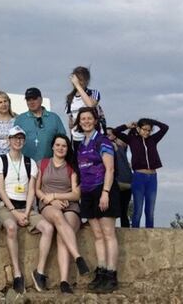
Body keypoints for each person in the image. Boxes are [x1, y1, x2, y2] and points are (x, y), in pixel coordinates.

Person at [0, 126, 49, 295]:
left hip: (25, 206)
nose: (18, 141)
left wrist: (25, 212)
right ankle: (17, 274)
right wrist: (15, 212)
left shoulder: (30, 162)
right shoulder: (0, 160)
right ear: (8, 140)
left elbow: (32, 189)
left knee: (48, 228)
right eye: (15, 138)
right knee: (11, 227)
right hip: (7, 206)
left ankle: (39, 272)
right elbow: (1, 190)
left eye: (21, 138)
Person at [35, 135, 90, 294]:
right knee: (58, 217)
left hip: (69, 204)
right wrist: (50, 200)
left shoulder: (72, 167)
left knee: (62, 235)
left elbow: (75, 195)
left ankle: (64, 281)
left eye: (64, 146)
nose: (60, 148)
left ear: (67, 149)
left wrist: (56, 196)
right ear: (52, 147)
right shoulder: (43, 164)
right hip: (48, 204)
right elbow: (37, 189)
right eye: (57, 145)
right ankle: (78, 257)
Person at [76, 107, 120, 293]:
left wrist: (105, 192)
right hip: (87, 193)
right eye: (82, 118)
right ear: (79, 122)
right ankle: (101, 272)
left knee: (108, 233)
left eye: (89, 118)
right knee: (98, 235)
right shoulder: (81, 144)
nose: (86, 121)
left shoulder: (102, 141)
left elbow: (110, 169)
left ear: (95, 120)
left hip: (103, 190)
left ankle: (111, 274)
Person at [113, 117, 168, 229]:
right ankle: (135, 233)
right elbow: (115, 132)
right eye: (144, 129)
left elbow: (165, 128)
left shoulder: (153, 139)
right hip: (139, 176)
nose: (147, 132)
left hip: (152, 177)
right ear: (138, 128)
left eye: (149, 130)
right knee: (138, 208)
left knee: (150, 209)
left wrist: (153, 122)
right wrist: (127, 126)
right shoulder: (132, 140)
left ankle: (150, 232)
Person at [15, 87, 66, 162]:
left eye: (34, 99)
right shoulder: (20, 119)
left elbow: (63, 141)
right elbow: (14, 142)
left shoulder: (54, 118)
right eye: (28, 100)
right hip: (26, 165)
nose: (31, 102)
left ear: (41, 99)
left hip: (50, 165)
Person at [65, 67, 104, 148]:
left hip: (94, 136)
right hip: (77, 138)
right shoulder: (70, 98)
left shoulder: (93, 93)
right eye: (77, 79)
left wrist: (78, 86)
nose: (79, 82)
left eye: (81, 79)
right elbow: (70, 121)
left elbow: (90, 105)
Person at [106, 127, 133, 228]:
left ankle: (126, 231)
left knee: (124, 211)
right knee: (111, 209)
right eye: (105, 135)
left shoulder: (122, 145)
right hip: (113, 182)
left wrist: (129, 126)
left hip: (126, 181)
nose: (107, 137)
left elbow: (127, 137)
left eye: (109, 135)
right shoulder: (105, 148)